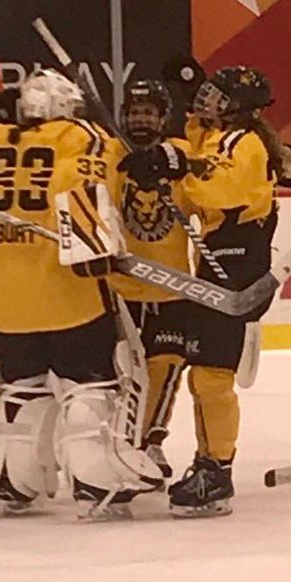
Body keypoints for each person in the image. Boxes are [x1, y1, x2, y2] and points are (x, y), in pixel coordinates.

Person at [0, 69, 162, 519]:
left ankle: (12, 485)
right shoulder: (83, 137)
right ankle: (97, 487)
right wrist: (98, 245)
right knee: (88, 389)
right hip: (69, 297)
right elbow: (81, 187)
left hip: (5, 306)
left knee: (22, 390)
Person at [120, 65, 285, 514]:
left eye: (217, 96)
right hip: (224, 259)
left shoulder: (244, 142)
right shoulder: (225, 138)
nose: (207, 100)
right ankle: (209, 462)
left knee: (212, 374)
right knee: (204, 374)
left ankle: (217, 471)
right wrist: (169, 162)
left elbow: (219, 187)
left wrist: (174, 165)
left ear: (239, 107)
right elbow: (199, 165)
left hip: (237, 260)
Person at [110, 78, 197, 483]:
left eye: (148, 113)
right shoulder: (110, 154)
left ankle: (150, 442)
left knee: (166, 367)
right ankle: (119, 442)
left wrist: (174, 164)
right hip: (120, 288)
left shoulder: (181, 155)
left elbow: (207, 192)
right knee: (120, 374)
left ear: (163, 119)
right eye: (134, 112)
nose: (140, 119)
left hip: (171, 288)